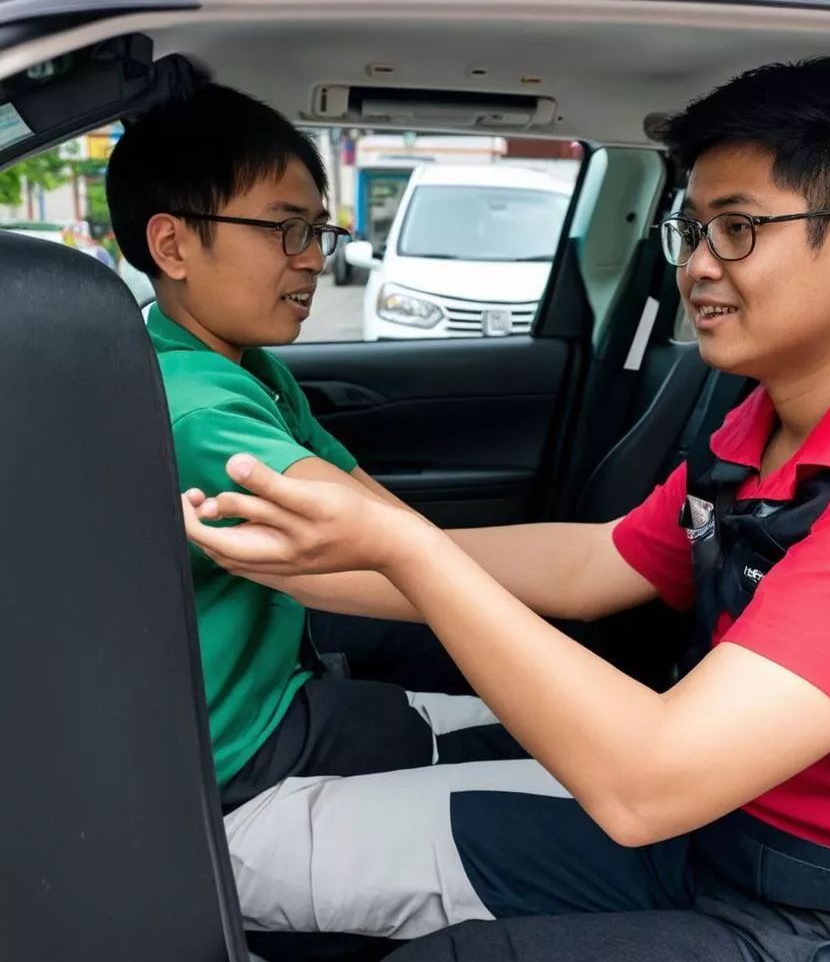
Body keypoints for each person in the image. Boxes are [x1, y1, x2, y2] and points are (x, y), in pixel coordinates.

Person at [180, 58, 830, 962]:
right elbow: (592, 568)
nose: (698, 265)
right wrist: (333, 564)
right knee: (226, 863)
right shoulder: (761, 420)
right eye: (692, 229)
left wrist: (402, 548)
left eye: (737, 229)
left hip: (794, 909)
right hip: (700, 829)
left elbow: (646, 785)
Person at [105, 84, 524, 813]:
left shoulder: (240, 366)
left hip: (271, 691)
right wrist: (573, 588)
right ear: (172, 245)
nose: (312, 260)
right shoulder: (201, 409)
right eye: (284, 229)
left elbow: (379, 512)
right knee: (521, 762)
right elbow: (389, 555)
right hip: (239, 755)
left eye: (317, 232)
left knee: (504, 729)